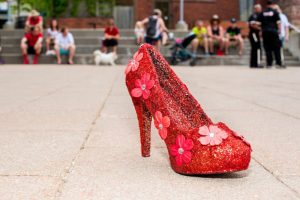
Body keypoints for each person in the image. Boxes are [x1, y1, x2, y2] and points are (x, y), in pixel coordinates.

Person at [257, 0, 284, 68]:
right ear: (272, 5)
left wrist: (260, 31)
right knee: (276, 48)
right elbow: (278, 23)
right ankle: (278, 63)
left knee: (267, 48)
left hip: (265, 32)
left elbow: (258, 24)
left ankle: (269, 63)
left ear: (266, 5)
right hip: (274, 31)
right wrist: (279, 31)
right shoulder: (275, 12)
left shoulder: (262, 13)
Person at [248, 4, 264, 68]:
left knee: (257, 48)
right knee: (257, 47)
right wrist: (260, 29)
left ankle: (256, 63)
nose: (259, 9)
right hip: (253, 34)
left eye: (260, 8)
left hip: (257, 34)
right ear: (255, 9)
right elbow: (252, 25)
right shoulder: (253, 16)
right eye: (258, 8)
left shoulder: (261, 16)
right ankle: (255, 63)